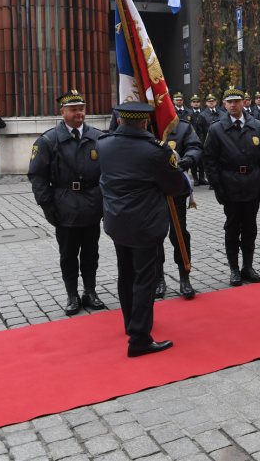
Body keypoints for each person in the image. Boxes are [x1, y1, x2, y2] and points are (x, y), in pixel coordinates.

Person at [98, 102, 185, 358]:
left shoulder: (103, 144)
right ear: (146, 122)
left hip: (117, 221)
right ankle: (139, 339)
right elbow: (175, 187)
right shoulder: (156, 150)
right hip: (146, 225)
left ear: (121, 120)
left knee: (125, 274)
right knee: (144, 280)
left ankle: (130, 323)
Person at [27, 89, 106, 315]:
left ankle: (90, 291)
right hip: (64, 205)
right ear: (62, 112)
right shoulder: (47, 140)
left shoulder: (99, 137)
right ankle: (72, 294)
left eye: (81, 108)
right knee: (69, 253)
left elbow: (108, 172)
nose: (79, 113)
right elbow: (37, 176)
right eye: (73, 109)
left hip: (92, 203)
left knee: (91, 251)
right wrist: (47, 206)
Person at [202, 86, 260, 286]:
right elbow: (209, 160)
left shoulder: (257, 126)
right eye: (229, 102)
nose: (233, 105)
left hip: (252, 183)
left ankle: (248, 267)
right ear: (224, 105)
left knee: (250, 227)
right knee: (232, 228)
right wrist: (217, 186)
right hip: (230, 184)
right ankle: (234, 269)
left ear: (244, 102)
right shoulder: (216, 129)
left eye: (237, 101)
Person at [155, 113, 203, 299]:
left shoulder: (182, 126)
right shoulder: (146, 126)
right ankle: (158, 279)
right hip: (151, 192)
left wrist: (189, 159)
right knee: (155, 236)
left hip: (175, 189)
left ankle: (185, 277)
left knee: (179, 234)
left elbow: (195, 147)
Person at [189, 95, 209, 185]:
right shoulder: (189, 113)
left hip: (202, 139)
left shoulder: (204, 113)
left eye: (197, 102)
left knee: (202, 159)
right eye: (194, 102)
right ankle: (195, 179)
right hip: (192, 139)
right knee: (194, 159)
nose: (196, 103)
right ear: (191, 104)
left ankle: (201, 178)